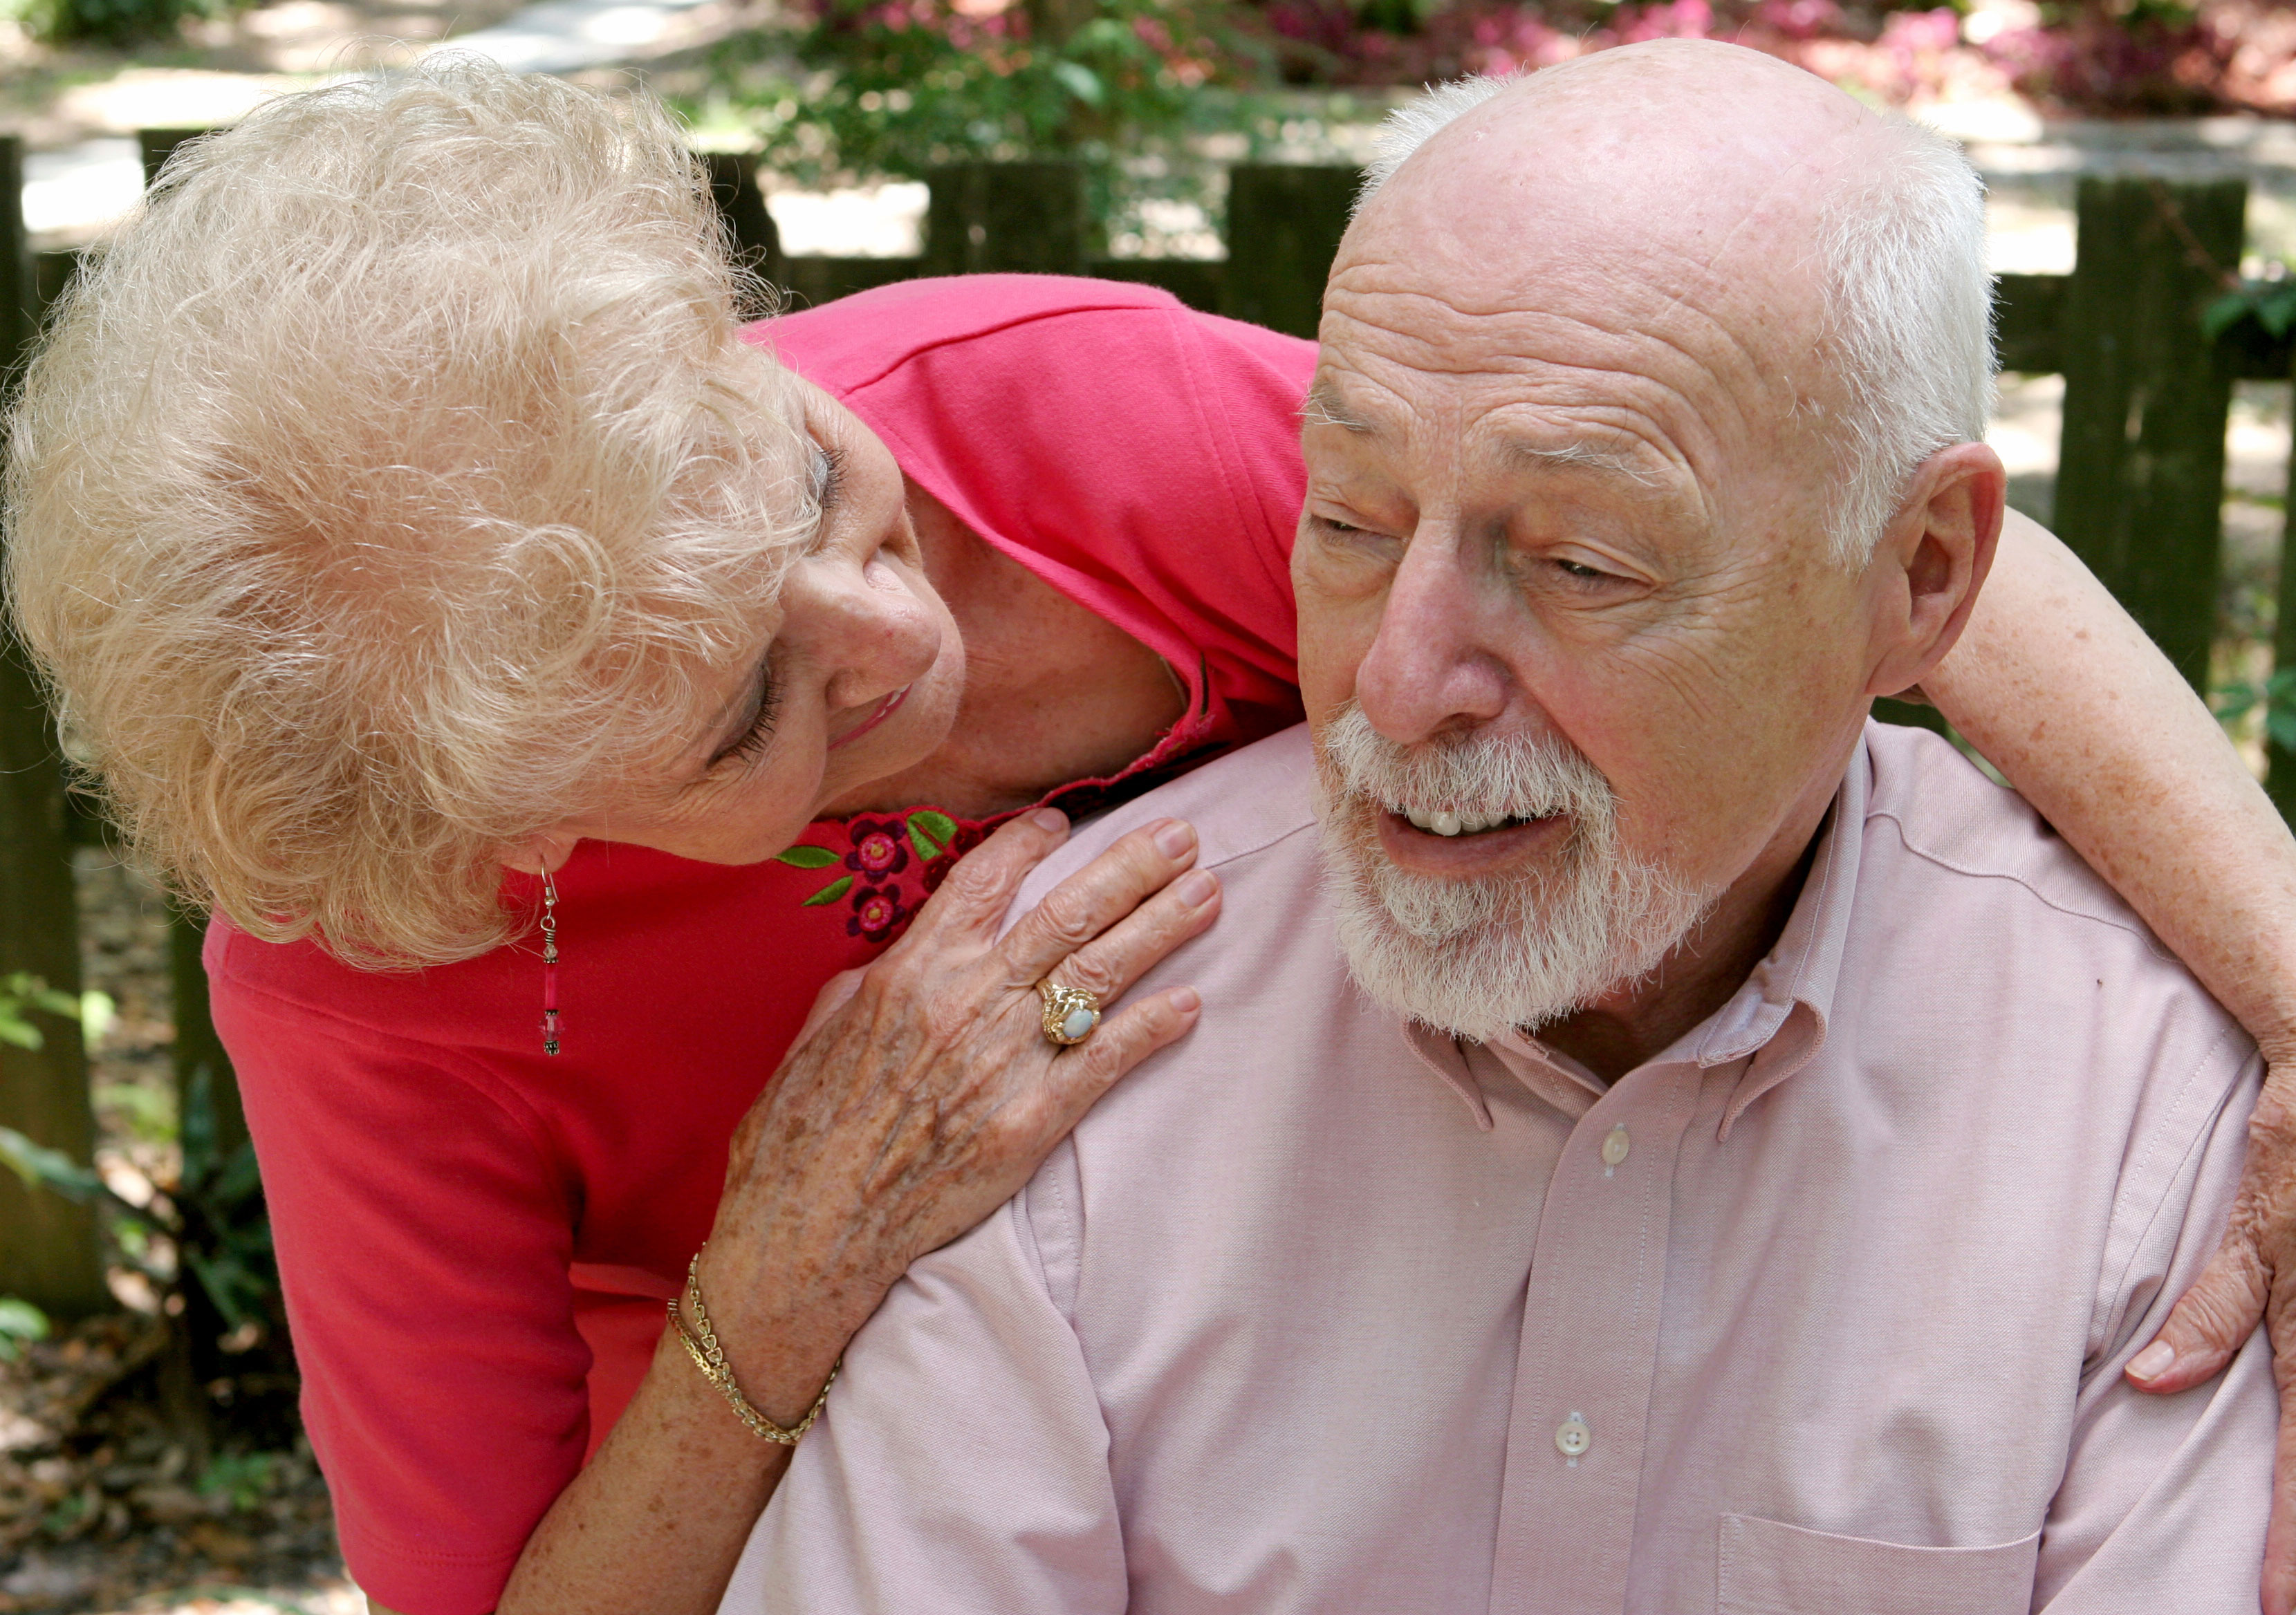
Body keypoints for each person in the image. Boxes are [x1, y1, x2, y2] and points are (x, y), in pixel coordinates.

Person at [0, 59, 2296, 1615]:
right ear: (491, 825)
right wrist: (783, 1265)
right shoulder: (370, 980)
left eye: (808, 479)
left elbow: (1774, 529)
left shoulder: (1056, 429)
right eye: (742, 710)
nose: (893, 632)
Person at [717, 46, 2277, 1614]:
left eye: (1585, 563)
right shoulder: (1047, 1048)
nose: (1398, 686)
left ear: (1922, 576)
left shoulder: (2152, 1117)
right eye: (1344, 520)